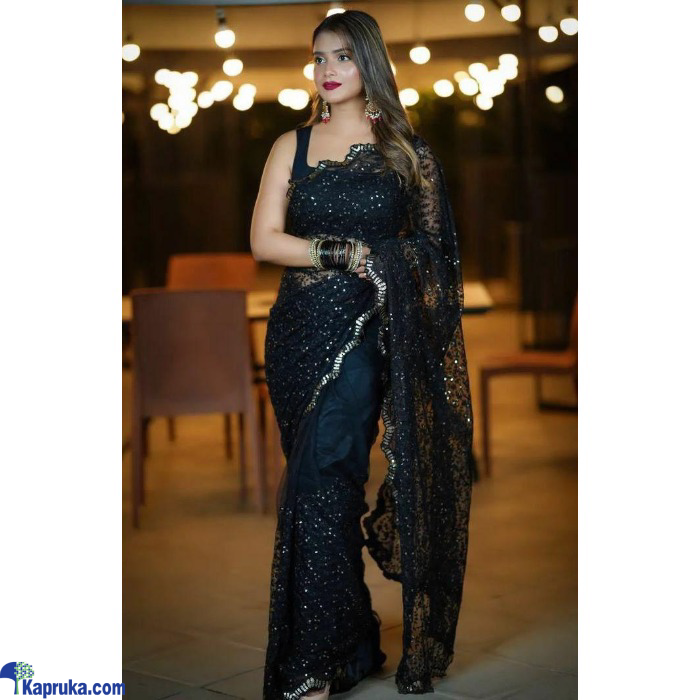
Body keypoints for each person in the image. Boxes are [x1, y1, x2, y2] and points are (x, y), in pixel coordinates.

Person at [250, 10, 474, 699]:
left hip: (366, 336)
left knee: (324, 480)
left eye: (343, 56)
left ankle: (314, 662)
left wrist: (387, 265)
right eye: (319, 57)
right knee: (320, 483)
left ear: (369, 62)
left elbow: (437, 254)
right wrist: (345, 253)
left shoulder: (406, 152)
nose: (328, 70)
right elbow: (264, 239)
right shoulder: (291, 144)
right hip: (296, 335)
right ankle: (349, 645)